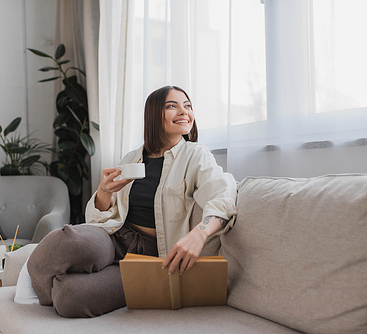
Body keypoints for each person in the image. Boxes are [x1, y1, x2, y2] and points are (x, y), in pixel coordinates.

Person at [27, 85, 237, 318]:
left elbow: (223, 194)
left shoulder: (195, 155)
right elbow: (98, 218)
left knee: (70, 299)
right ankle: (36, 288)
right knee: (67, 240)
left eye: (187, 106)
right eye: (172, 106)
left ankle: (66, 280)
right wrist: (104, 191)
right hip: (115, 237)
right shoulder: (132, 158)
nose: (184, 111)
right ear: (154, 114)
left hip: (149, 258)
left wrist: (200, 233)